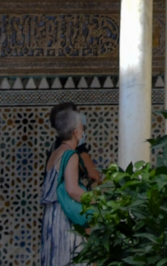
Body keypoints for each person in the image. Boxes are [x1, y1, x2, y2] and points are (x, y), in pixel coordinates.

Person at [40, 105, 97, 265]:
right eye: (81, 127)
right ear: (75, 131)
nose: (83, 131)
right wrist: (96, 201)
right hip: (65, 217)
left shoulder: (55, 153)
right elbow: (72, 190)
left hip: (51, 217)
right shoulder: (71, 155)